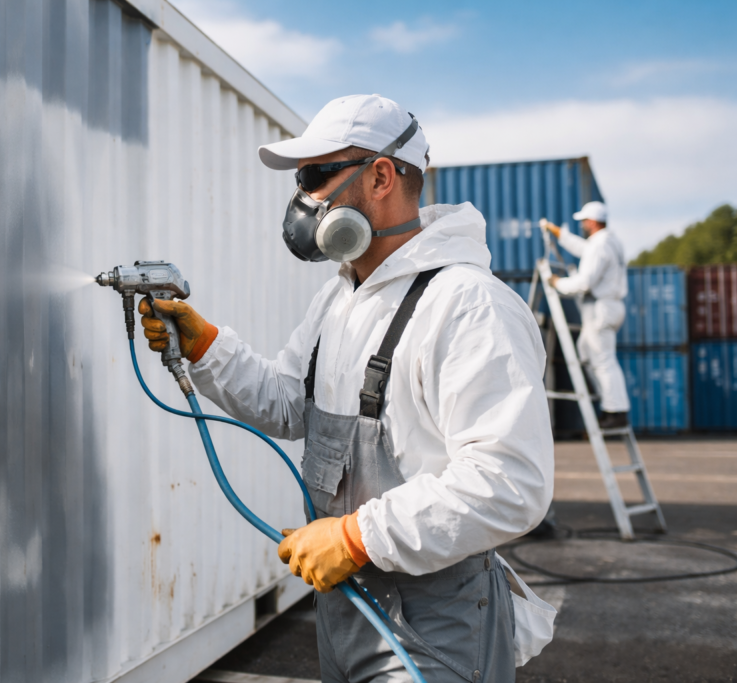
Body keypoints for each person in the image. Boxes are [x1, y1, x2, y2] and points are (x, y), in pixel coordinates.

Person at [138, 95, 554, 682]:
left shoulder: (467, 304)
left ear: (380, 175)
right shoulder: (341, 297)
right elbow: (289, 402)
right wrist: (207, 346)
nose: (302, 200)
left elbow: (510, 482)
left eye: (314, 176)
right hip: (345, 605)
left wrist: (358, 535)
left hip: (434, 623)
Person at [542, 202, 631, 429]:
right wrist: (561, 235)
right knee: (586, 352)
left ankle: (615, 411)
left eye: (583, 221)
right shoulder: (608, 242)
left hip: (601, 308)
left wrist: (557, 283)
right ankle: (610, 404)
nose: (582, 224)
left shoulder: (600, 245)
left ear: (592, 221)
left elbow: (584, 282)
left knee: (603, 361)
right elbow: (584, 250)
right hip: (606, 307)